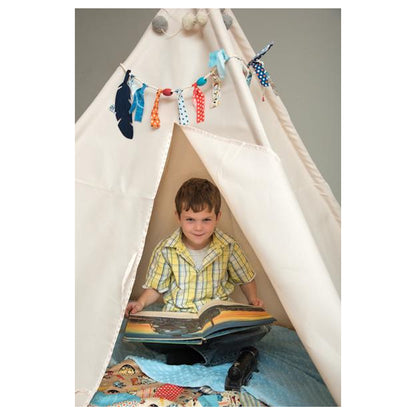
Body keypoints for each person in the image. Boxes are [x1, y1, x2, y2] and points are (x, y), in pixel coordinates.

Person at [125, 178, 269, 365]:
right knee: (149, 337)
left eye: (206, 220)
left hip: (216, 321)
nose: (198, 227)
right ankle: (200, 351)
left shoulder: (228, 246)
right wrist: (140, 303)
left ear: (217, 217)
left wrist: (253, 300)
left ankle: (193, 353)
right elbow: (155, 287)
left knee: (259, 329)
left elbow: (245, 277)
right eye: (190, 220)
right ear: (179, 217)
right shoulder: (166, 249)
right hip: (180, 321)